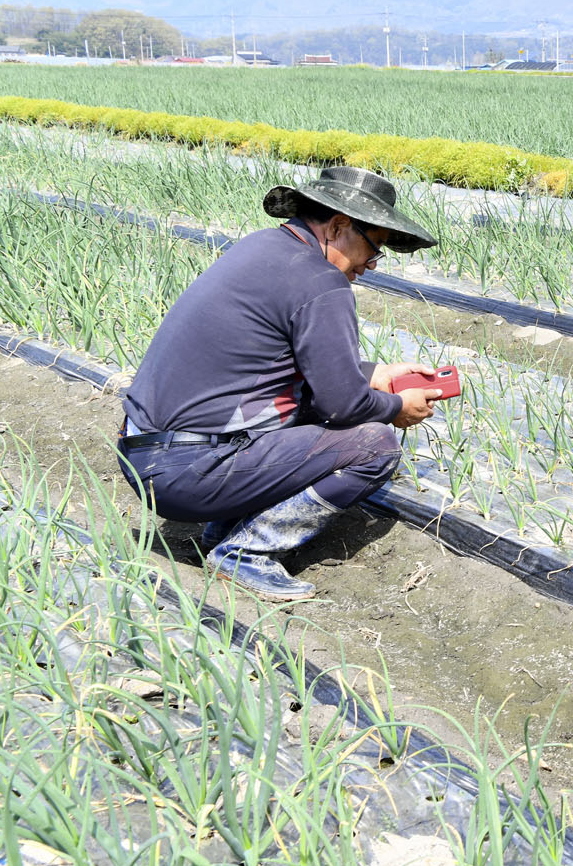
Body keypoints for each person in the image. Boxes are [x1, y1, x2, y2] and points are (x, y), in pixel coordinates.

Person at [117, 166, 447, 600]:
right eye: (374, 247)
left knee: (302, 409)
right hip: (186, 472)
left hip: (145, 454)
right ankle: (244, 551)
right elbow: (343, 405)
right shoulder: (321, 282)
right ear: (338, 225)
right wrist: (396, 407)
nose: (371, 265)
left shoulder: (263, 247)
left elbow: (280, 365)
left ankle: (226, 523)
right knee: (373, 445)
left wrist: (377, 374)